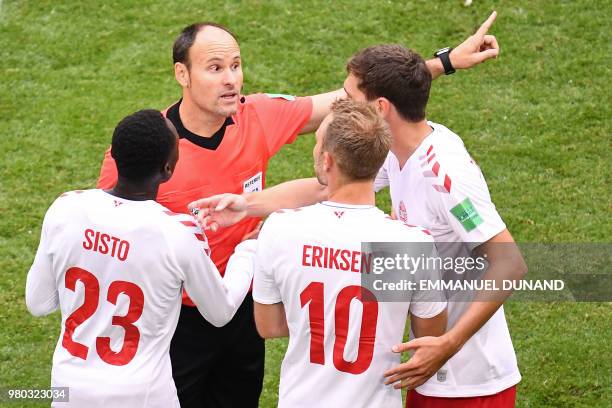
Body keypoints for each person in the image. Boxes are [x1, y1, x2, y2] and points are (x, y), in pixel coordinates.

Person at [98, 15, 501, 408]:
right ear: (182, 74)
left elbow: (361, 100)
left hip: (244, 306)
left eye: (236, 66)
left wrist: (442, 63)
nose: (230, 79)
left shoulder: (257, 115)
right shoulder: (144, 149)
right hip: (176, 316)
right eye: (215, 68)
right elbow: (113, 237)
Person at [26, 110, 255, 408]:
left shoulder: (65, 208)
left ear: (116, 157)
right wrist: (248, 251)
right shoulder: (177, 233)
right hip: (143, 396)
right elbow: (220, 311)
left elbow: (38, 303)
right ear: (168, 169)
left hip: (69, 390)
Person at [341, 44, 528, 407]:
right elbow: (331, 187)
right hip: (430, 371)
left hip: (470, 383)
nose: (341, 109)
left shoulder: (445, 173)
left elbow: (510, 262)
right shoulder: (395, 150)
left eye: (349, 99)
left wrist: (449, 344)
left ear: (380, 108)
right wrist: (255, 211)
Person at [253, 99, 448, 408]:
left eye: (317, 145)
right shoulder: (410, 244)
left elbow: (270, 326)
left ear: (327, 161)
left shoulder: (279, 229)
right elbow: (429, 336)